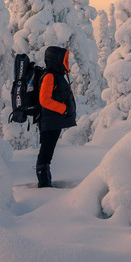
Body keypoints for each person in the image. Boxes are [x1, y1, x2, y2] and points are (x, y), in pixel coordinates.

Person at [36, 45, 77, 187]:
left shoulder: (57, 74)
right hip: (50, 121)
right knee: (46, 153)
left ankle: (45, 182)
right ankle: (44, 185)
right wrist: (64, 109)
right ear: (56, 59)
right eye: (64, 59)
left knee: (48, 153)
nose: (66, 61)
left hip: (54, 121)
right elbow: (44, 100)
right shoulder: (49, 76)